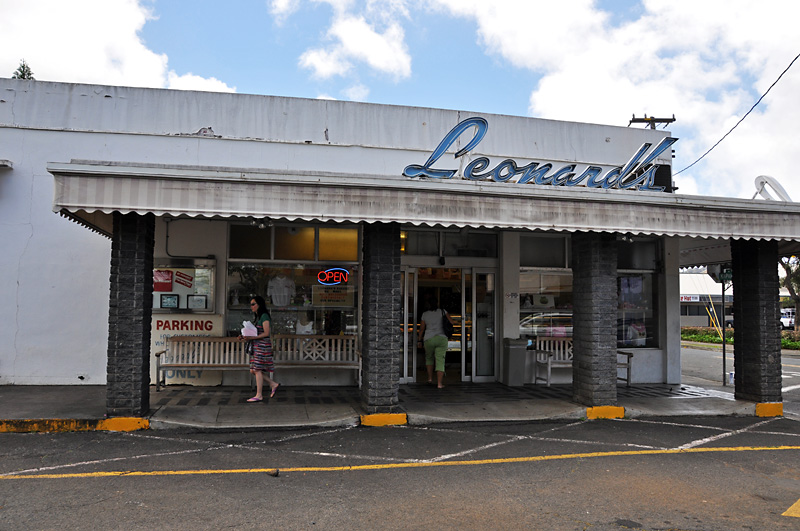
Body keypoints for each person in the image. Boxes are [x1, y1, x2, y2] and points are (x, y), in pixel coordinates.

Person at [239, 295, 280, 402]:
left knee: (256, 369)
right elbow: (256, 332)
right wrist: (245, 336)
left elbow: (266, 333)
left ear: (259, 305)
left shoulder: (264, 316)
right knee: (253, 370)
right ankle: (273, 384)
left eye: (253, 304)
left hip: (262, 346)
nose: (251, 306)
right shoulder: (258, 317)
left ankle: (259, 395)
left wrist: (252, 337)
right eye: (251, 304)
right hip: (257, 346)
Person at [417, 298, 454, 388]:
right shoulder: (443, 311)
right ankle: (439, 384)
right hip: (441, 338)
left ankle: (429, 379)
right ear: (437, 303)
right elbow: (451, 322)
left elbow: (421, 329)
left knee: (429, 358)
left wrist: (419, 340)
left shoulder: (425, 314)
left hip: (429, 339)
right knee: (440, 360)